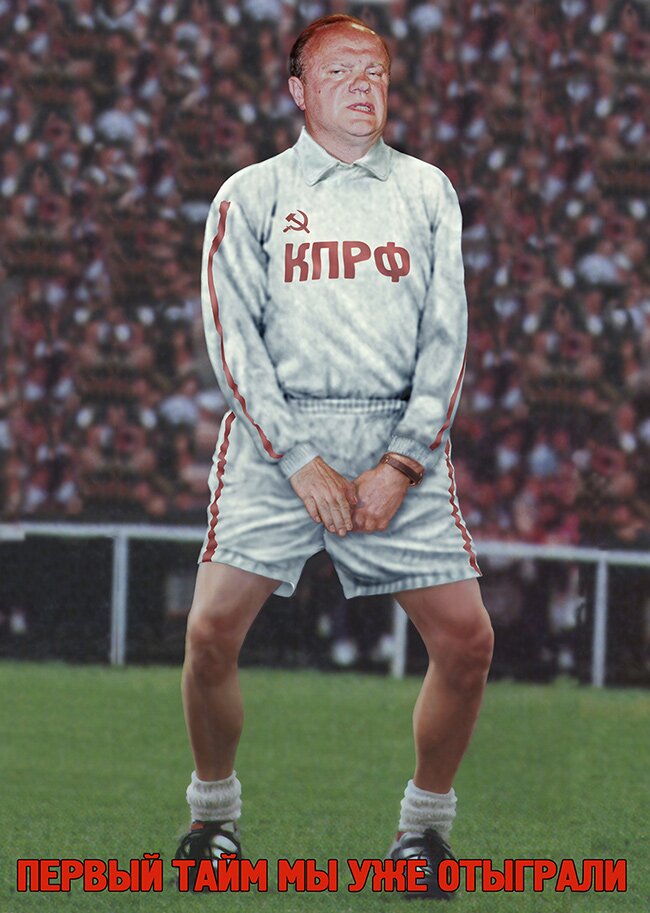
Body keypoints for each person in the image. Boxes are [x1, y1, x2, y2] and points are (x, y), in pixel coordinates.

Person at [175, 14, 494, 900]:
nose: (363, 85)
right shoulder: (250, 194)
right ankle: (212, 817)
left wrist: (402, 462)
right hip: (278, 439)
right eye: (340, 70)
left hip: (395, 436)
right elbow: (233, 340)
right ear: (298, 91)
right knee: (208, 633)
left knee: (468, 640)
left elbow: (448, 337)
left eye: (376, 71)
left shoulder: (428, 190)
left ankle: (423, 831)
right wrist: (298, 458)